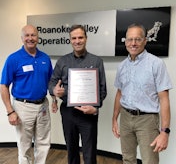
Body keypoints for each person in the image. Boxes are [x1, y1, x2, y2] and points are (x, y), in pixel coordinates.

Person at [112, 23, 172, 164]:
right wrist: (115, 118)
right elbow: (119, 93)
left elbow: (164, 100)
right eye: (129, 39)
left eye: (137, 39)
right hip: (126, 118)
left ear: (145, 40)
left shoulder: (156, 64)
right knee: (127, 159)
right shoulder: (122, 66)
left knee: (149, 161)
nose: (133, 43)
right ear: (125, 41)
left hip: (147, 120)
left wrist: (165, 132)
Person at [49, 24, 107, 164]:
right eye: (74, 38)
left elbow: (102, 89)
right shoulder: (62, 61)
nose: (77, 41)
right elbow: (52, 83)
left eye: (80, 37)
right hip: (68, 112)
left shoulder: (96, 61)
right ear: (70, 40)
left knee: (90, 151)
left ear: (86, 38)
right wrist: (54, 91)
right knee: (71, 150)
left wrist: (96, 108)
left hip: (88, 113)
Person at [0, 25, 57, 164]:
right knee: (24, 145)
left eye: (33, 35)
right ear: (22, 38)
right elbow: (3, 86)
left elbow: (51, 81)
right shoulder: (13, 59)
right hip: (22, 107)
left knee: (43, 143)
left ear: (38, 37)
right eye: (27, 35)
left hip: (43, 105)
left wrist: (54, 99)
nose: (30, 38)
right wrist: (10, 111)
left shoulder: (45, 58)